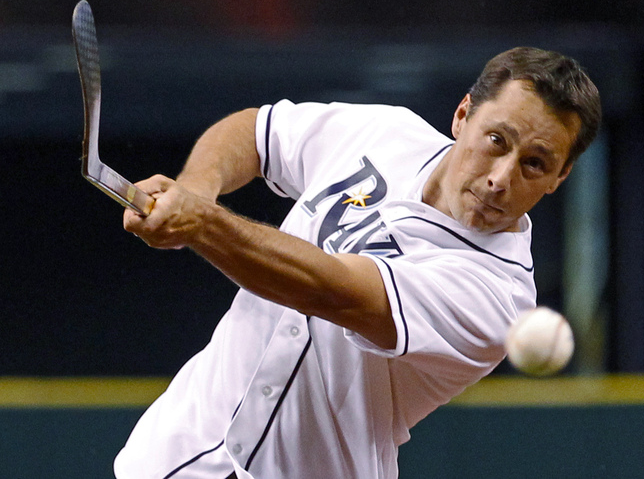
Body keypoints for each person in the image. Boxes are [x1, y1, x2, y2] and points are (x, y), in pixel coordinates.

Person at [114, 46, 601, 479]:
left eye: (534, 164)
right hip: (176, 451)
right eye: (497, 139)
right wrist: (198, 186)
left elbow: (328, 291)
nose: (500, 178)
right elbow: (258, 132)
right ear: (462, 116)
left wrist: (202, 222)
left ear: (558, 177)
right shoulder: (387, 132)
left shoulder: (497, 297)